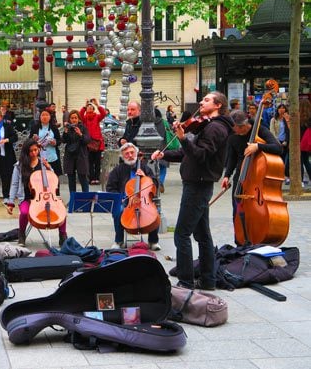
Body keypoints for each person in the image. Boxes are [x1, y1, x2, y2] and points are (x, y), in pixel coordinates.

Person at [151, 91, 234, 291]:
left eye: (206, 100)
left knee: (181, 234)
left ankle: (185, 281)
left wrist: (183, 138)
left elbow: (201, 155)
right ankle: (208, 280)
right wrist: (165, 154)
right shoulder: (207, 126)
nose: (201, 102)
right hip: (197, 183)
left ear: (218, 105)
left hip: (198, 184)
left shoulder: (216, 128)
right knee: (202, 235)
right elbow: (187, 154)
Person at [221, 110, 282, 222]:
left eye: (234, 127)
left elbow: (278, 148)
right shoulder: (232, 135)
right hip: (240, 177)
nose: (232, 130)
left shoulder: (260, 130)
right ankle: (239, 238)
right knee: (237, 210)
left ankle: (254, 236)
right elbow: (232, 158)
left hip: (257, 177)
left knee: (255, 212)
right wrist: (226, 175)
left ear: (243, 125)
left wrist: (258, 146)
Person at [5, 139, 67, 247]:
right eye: (31, 151)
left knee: (61, 211)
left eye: (36, 150)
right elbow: (14, 184)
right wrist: (10, 202)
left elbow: (53, 180)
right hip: (27, 198)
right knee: (24, 213)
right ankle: (21, 234)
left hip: (45, 197)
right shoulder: (19, 166)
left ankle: (63, 236)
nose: (34, 153)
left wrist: (49, 168)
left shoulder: (43, 163)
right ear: (26, 152)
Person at [106, 142, 160, 250]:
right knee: (118, 211)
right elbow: (110, 188)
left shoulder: (145, 168)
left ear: (136, 153)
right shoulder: (118, 170)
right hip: (126, 201)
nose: (130, 155)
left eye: (132, 152)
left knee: (156, 212)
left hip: (144, 200)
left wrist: (146, 177)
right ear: (122, 156)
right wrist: (121, 198)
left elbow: (156, 184)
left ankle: (153, 241)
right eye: (126, 154)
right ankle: (118, 240)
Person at [62, 110, 90, 197]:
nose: (74, 120)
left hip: (81, 155)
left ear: (78, 119)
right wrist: (65, 132)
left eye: (75, 118)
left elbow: (87, 140)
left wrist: (80, 134)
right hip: (70, 156)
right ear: (69, 119)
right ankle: (73, 199)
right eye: (72, 118)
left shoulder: (83, 128)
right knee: (71, 178)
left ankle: (86, 199)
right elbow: (63, 141)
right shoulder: (68, 128)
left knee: (83, 178)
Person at [30, 108, 62, 185]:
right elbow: (29, 141)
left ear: (50, 117)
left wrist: (55, 142)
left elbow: (59, 140)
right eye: (43, 115)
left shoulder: (54, 128)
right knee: (39, 179)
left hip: (52, 156)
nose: (44, 117)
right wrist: (34, 140)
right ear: (40, 117)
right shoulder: (35, 127)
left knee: (54, 178)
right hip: (39, 156)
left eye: (46, 115)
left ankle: (56, 195)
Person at [79, 98, 106, 185]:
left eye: (91, 107)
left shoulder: (97, 117)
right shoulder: (85, 118)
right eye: (88, 107)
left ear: (94, 109)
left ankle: (96, 178)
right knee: (89, 162)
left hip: (97, 143)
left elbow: (103, 113)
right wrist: (84, 105)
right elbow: (80, 115)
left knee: (97, 162)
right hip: (88, 143)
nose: (90, 108)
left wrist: (97, 105)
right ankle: (91, 178)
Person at [269, 104, 290, 183]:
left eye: (283, 108)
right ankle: (278, 175)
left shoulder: (287, 119)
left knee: (285, 160)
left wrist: (286, 141)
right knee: (277, 160)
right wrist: (276, 141)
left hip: (285, 142)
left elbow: (288, 131)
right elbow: (272, 132)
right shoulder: (273, 120)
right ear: (277, 110)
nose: (282, 110)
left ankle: (285, 175)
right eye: (280, 108)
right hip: (276, 142)